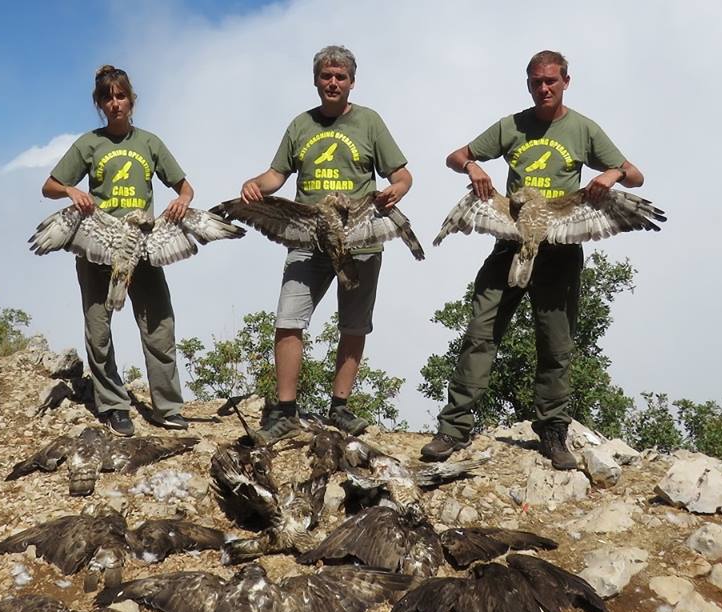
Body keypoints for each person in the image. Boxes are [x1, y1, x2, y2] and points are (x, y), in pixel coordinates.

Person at [420, 50, 645, 469]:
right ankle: (453, 428)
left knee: (556, 344)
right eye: (537, 82)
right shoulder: (513, 126)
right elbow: (455, 156)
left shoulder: (582, 129)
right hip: (511, 244)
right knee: (480, 332)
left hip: (560, 248)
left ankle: (553, 433)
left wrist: (610, 174)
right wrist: (472, 166)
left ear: (566, 82)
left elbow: (635, 175)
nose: (544, 88)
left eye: (551, 82)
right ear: (528, 84)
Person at [237, 45, 413, 445]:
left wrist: (395, 189)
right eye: (326, 76)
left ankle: (340, 407)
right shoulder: (301, 125)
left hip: (361, 237)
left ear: (351, 82)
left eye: (341, 77)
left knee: (354, 325)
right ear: (316, 80)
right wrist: (253, 185)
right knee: (288, 319)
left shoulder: (369, 123)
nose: (333, 83)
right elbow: (276, 177)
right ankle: (284, 411)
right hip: (308, 234)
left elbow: (402, 174)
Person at [41, 65, 192, 437]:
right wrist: (71, 191)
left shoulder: (150, 143)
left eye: (120, 96)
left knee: (159, 325)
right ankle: (113, 404)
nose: (115, 104)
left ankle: (168, 407)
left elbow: (185, 186)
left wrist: (183, 201)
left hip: (142, 246)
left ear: (131, 100)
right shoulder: (89, 144)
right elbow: (49, 186)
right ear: (99, 103)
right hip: (97, 245)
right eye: (107, 98)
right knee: (98, 329)